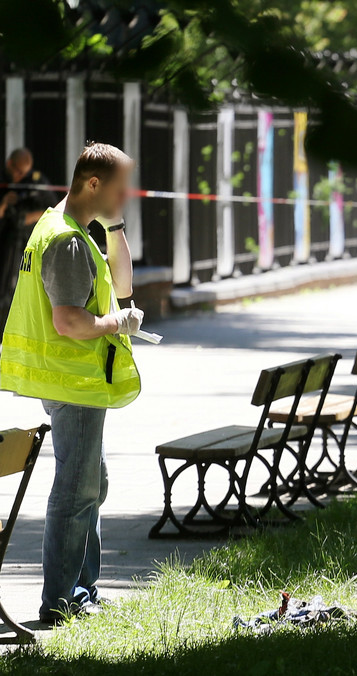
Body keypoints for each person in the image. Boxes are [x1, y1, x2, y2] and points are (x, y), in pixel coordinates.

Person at [0, 142, 143, 623]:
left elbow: (121, 286)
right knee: (76, 489)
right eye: (120, 190)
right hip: (73, 382)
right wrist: (117, 324)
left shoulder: (69, 227)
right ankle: (62, 600)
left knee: (90, 483)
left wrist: (115, 226)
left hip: (74, 381)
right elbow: (69, 322)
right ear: (94, 184)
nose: (126, 197)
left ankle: (81, 589)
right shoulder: (66, 240)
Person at [0, 148, 58, 335]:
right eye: (18, 171)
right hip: (6, 241)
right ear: (10, 164)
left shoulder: (35, 181)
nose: (20, 176)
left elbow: (52, 208)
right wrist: (5, 203)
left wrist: (29, 217)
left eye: (24, 173)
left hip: (30, 242)